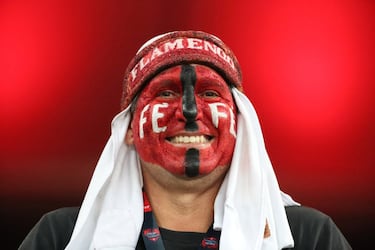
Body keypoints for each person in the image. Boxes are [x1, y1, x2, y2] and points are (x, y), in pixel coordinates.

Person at [19, 31, 352, 250]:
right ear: (130, 130)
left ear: (240, 123)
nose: (190, 111)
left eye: (210, 93)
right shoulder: (61, 237)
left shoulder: (308, 237)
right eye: (166, 93)